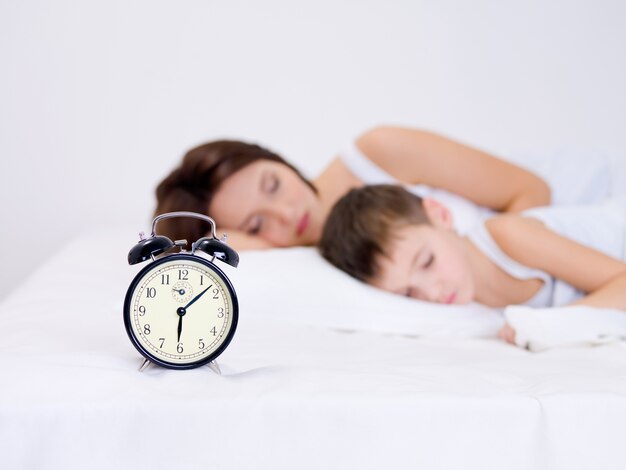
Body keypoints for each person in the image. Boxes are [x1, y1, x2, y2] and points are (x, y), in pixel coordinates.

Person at [318, 184, 626, 346]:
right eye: (409, 293)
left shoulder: (507, 236)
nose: (432, 292)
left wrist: (544, 326)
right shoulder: (471, 310)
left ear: (440, 215)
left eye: (426, 262)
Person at [154, 126, 550, 249]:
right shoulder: (302, 265)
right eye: (257, 225)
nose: (289, 214)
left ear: (278, 160)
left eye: (273, 185)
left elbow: (532, 190)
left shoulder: (381, 152)